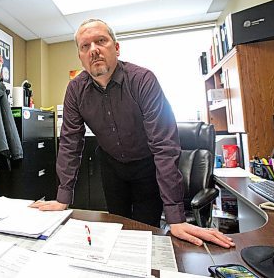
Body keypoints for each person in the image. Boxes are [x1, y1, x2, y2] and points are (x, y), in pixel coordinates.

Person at [31, 19, 234, 248]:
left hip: (147, 167)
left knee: (145, 233)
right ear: (80, 56)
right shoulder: (76, 90)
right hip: (111, 167)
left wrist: (176, 218)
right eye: (85, 46)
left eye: (101, 41)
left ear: (116, 48)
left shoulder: (142, 80)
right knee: (117, 228)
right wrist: (62, 198)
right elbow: (70, 142)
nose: (94, 50)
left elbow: (164, 146)